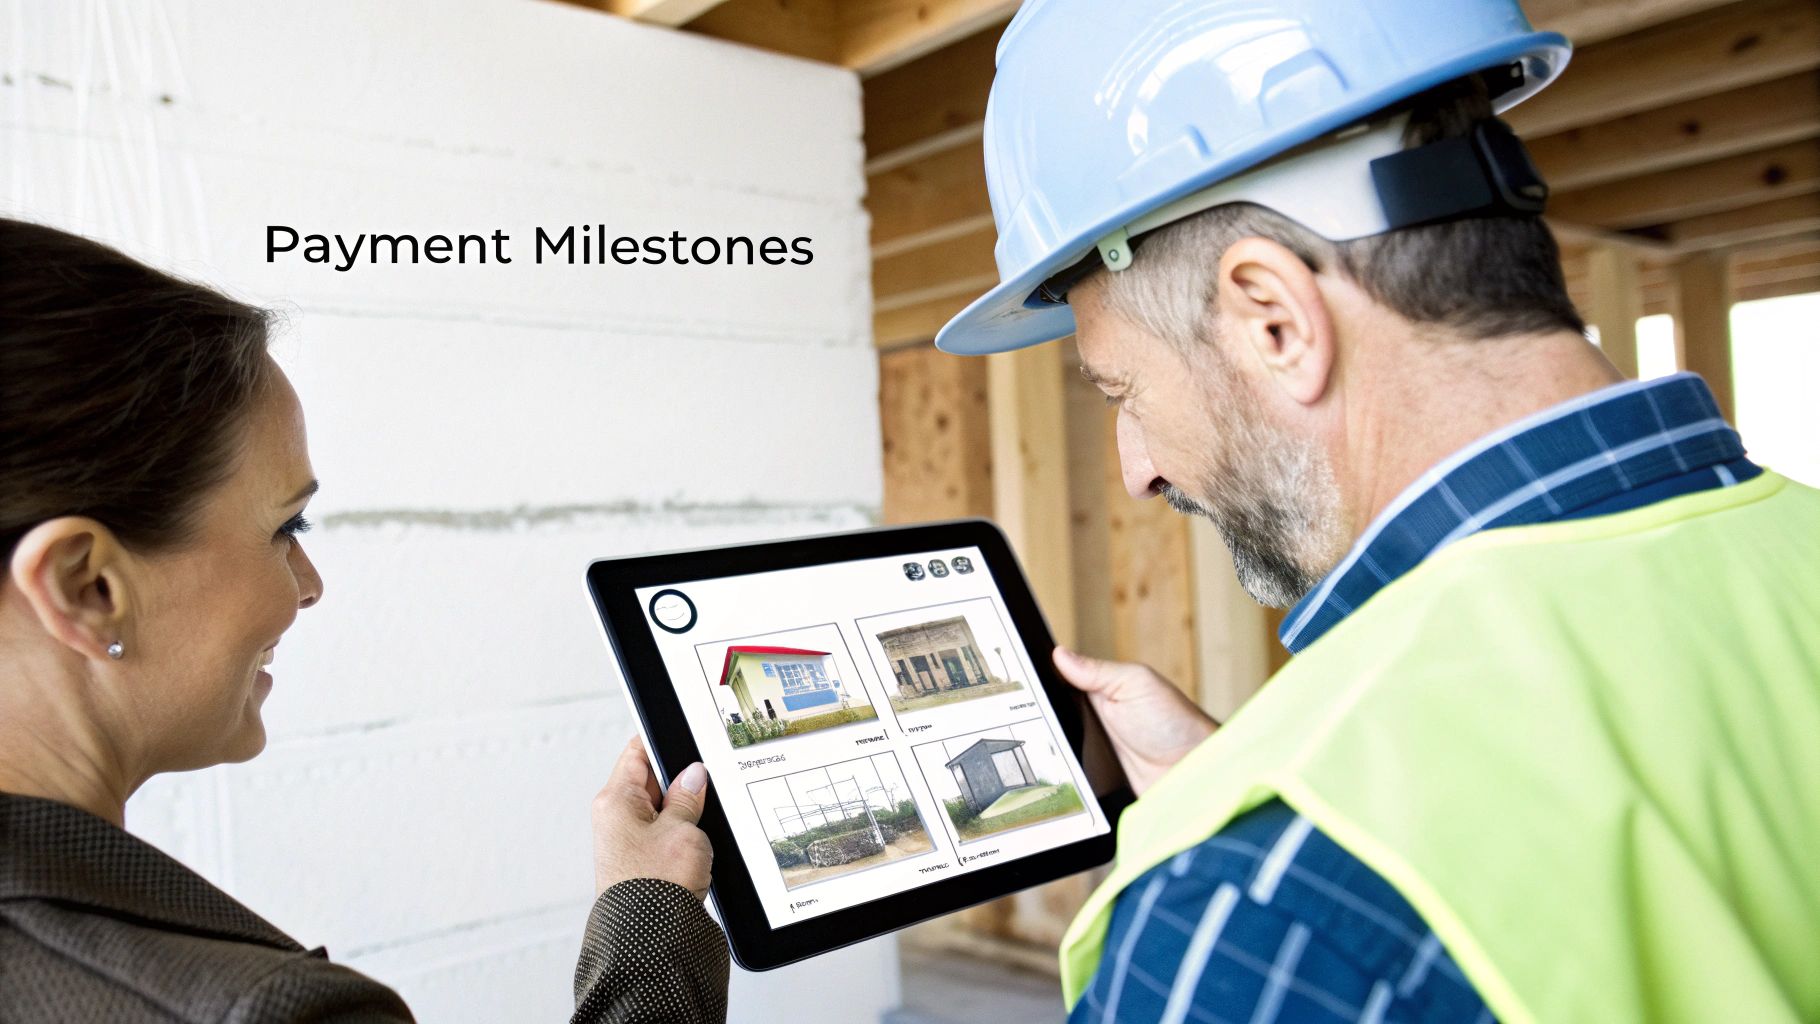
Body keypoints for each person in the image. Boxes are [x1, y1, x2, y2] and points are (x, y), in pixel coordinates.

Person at [931, 1, 1820, 1022]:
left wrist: (1249, 843)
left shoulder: (1261, 907)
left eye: (1123, 391)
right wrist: (1239, 785)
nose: (1137, 471)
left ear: (1273, 320)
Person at [0, 218, 724, 1023]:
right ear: (86, 586)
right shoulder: (264, 1012)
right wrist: (652, 916)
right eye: (286, 529)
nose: (309, 587)